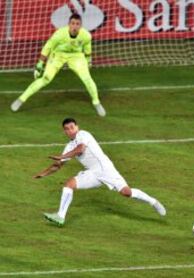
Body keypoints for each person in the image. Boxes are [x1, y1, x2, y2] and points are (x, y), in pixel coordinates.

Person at [33, 118, 166, 226]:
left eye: (72, 127)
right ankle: (60, 217)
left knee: (126, 192)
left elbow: (80, 149)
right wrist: (43, 174)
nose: (70, 130)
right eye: (67, 129)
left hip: (105, 168)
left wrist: (62, 156)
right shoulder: (69, 146)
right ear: (64, 131)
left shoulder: (83, 134)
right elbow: (58, 165)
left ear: (77, 127)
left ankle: (152, 201)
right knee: (69, 185)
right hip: (92, 173)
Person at [10, 13, 106, 117]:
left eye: (77, 24)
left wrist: (88, 61)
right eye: (72, 23)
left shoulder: (86, 35)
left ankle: (96, 103)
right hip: (58, 55)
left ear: (80, 26)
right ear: (68, 24)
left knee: (87, 78)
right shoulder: (59, 34)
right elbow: (48, 47)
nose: (74, 26)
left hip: (76, 56)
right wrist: (40, 64)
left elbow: (87, 48)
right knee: (46, 79)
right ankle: (21, 99)